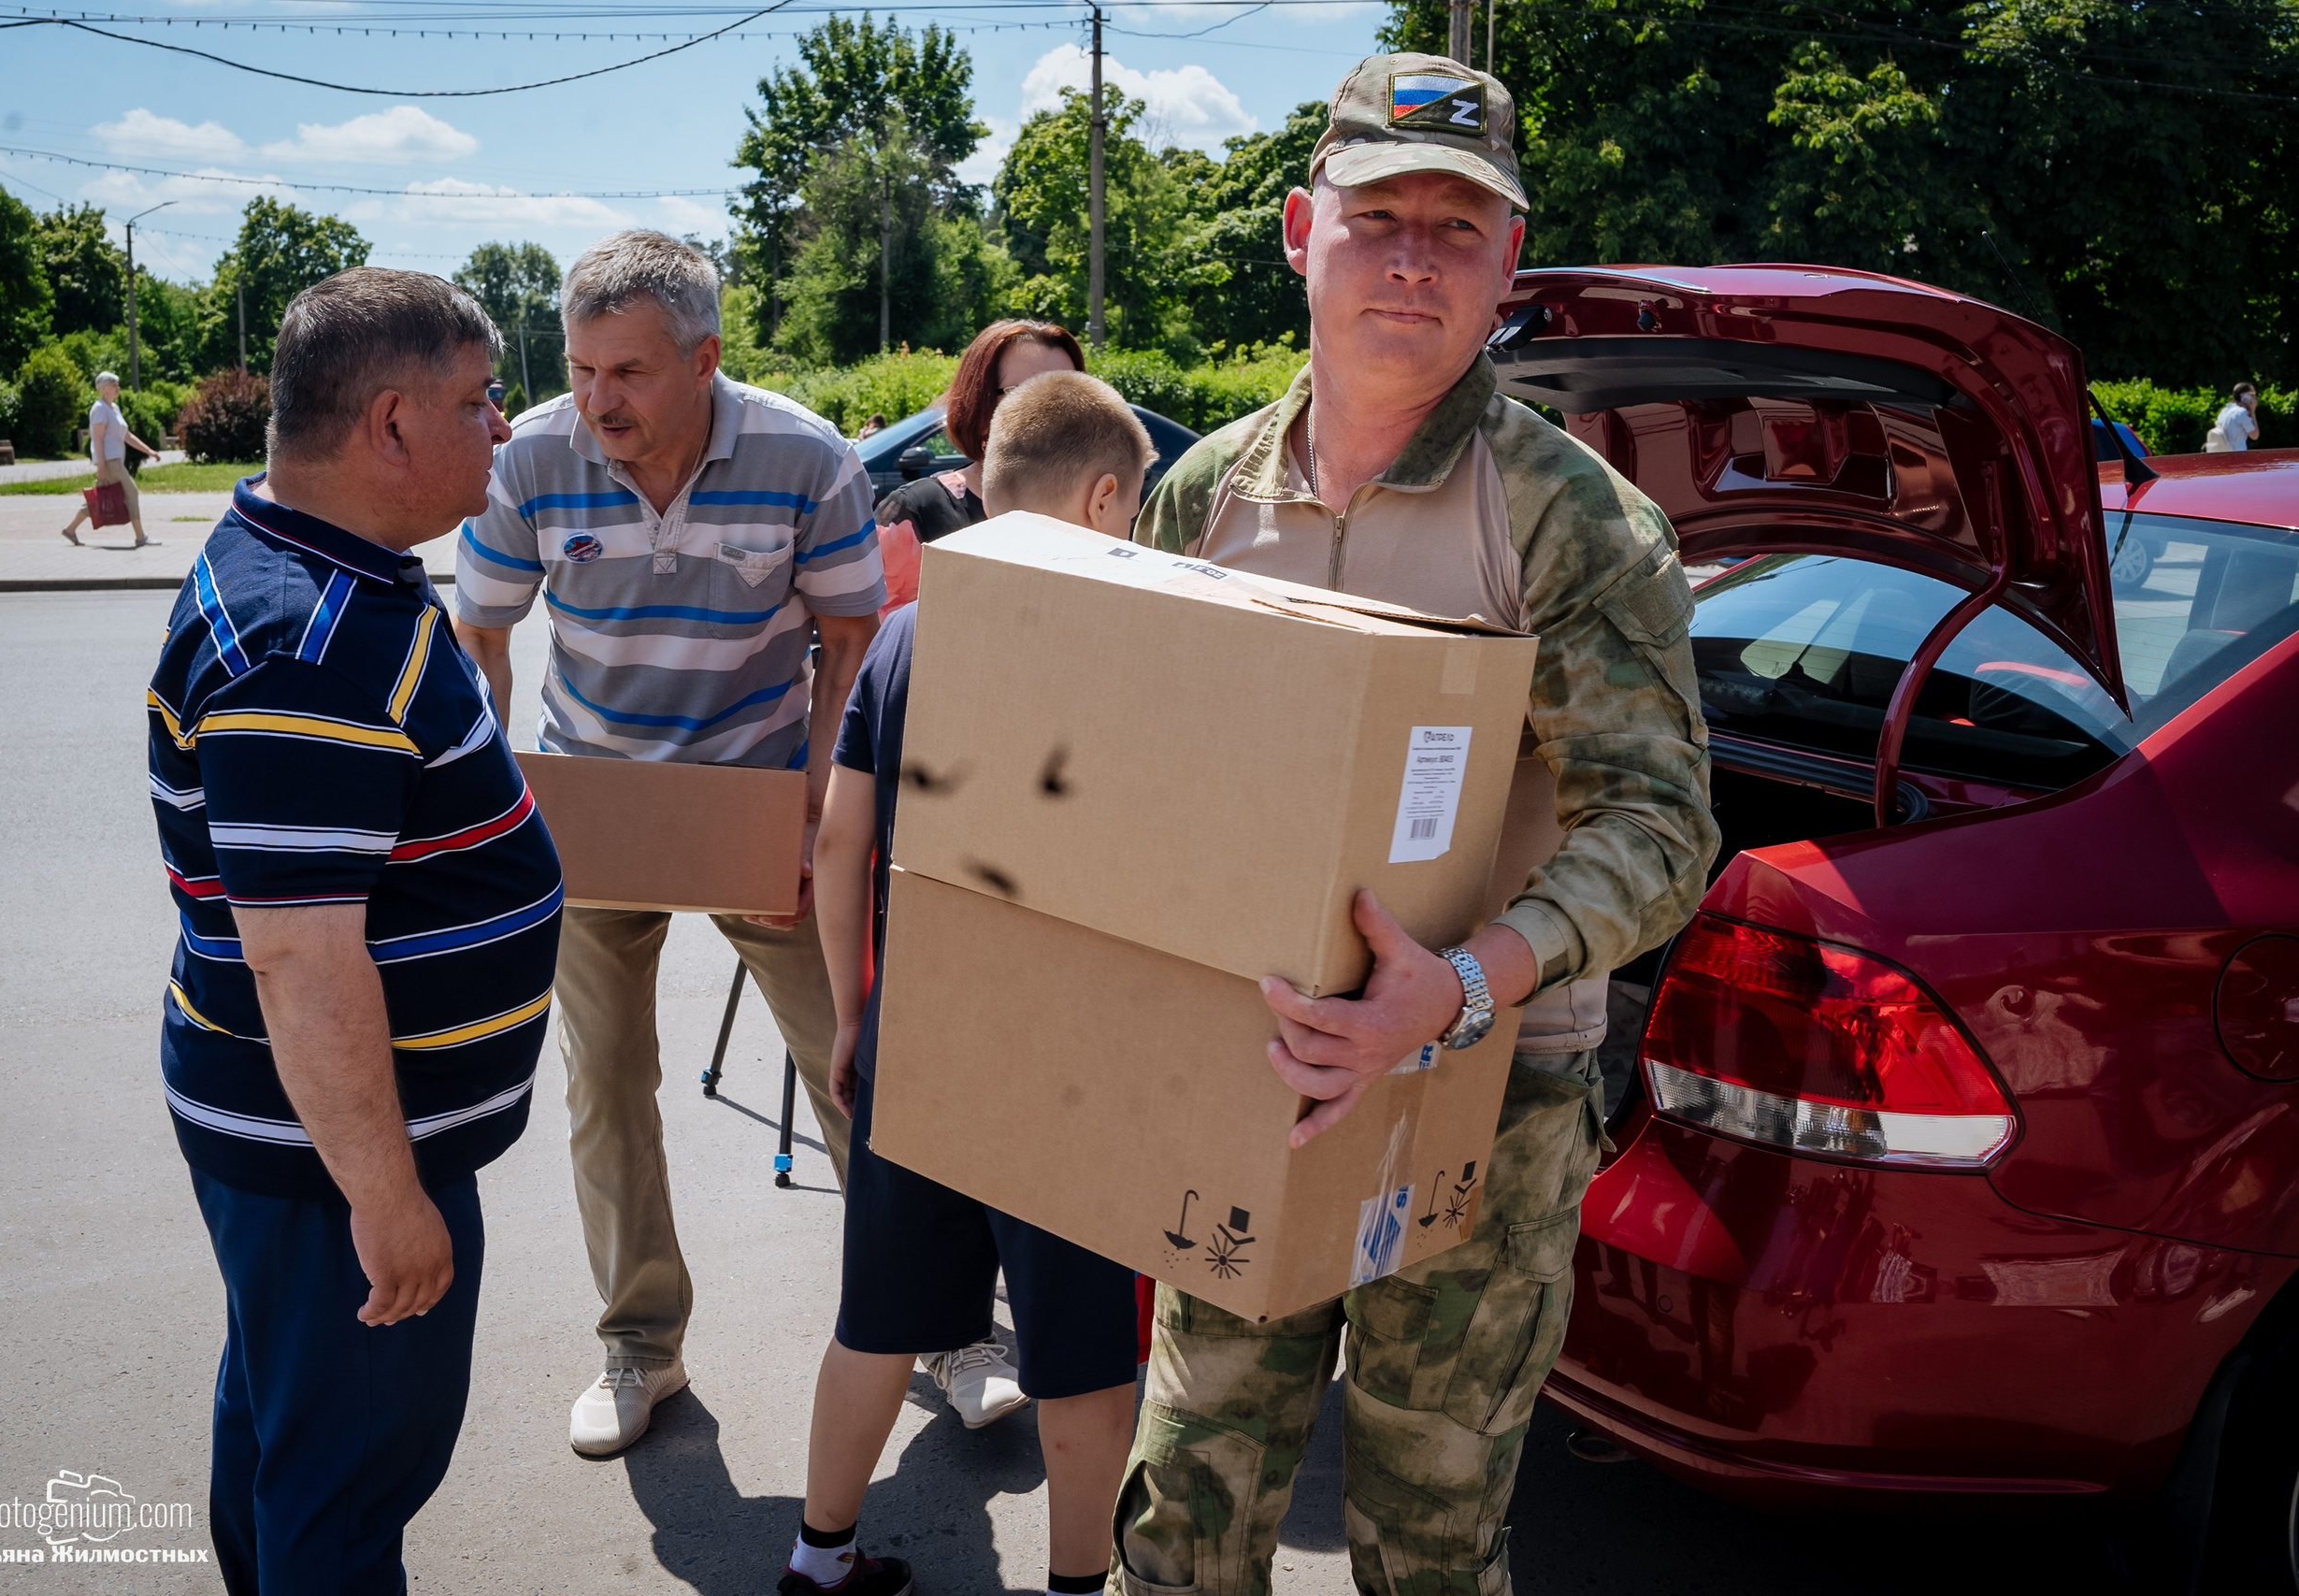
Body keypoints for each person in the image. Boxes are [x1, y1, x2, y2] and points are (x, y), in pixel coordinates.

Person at [1113, 53, 1718, 1596]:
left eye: (1461, 227)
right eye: (1383, 214)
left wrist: (1452, 986)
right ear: (1304, 227)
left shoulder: (1573, 519)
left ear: (1509, 264)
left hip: (1485, 1100)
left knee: (1428, 1543)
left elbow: (1659, 823)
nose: (1413, 258)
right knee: (1183, 1509)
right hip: (1247, 1067)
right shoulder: (1203, 495)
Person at [146, 267, 557, 1589]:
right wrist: (386, 1198)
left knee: (288, 1425)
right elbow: (302, 957)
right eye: (478, 397)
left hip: (316, 1147)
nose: (503, 425)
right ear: (390, 422)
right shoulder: (307, 642)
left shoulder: (327, 571)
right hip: (338, 1167)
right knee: (342, 1481)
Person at [452, 230, 889, 1459]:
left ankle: (936, 1319)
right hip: (592, 811)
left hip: (761, 804)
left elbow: (853, 637)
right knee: (606, 1080)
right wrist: (493, 798)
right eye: (583, 369)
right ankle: (642, 1343)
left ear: (705, 359)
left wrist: (817, 803)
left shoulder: (808, 457)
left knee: (857, 1062)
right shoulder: (534, 454)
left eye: (630, 372)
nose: (599, 402)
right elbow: (481, 636)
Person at [786, 369, 1157, 1596]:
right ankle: (1072, 1582)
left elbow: (840, 841)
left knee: (881, 1314)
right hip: (1073, 1057)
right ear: (1105, 495)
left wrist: (852, 1012)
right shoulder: (1144, 637)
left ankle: (819, 1552)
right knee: (1085, 1351)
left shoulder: (903, 630)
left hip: (921, 1030)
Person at [872, 321, 1082, 616]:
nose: (1052, 410)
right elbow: (874, 644)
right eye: (1024, 392)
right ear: (979, 401)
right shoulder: (917, 513)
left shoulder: (1094, 509)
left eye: (1068, 391)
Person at [61, 370, 161, 548]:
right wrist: (100, 465)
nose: (118, 388)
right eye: (114, 385)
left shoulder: (114, 408)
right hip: (109, 461)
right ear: (103, 388)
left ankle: (70, 529)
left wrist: (149, 451)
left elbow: (127, 436)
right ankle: (140, 537)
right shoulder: (99, 409)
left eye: (117, 384)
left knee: (100, 497)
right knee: (131, 492)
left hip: (114, 460)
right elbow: (97, 439)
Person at [2206, 381, 2261, 452]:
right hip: (2237, 454)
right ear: (2243, 395)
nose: (2255, 398)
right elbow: (2255, 435)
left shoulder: (2225, 410)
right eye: (2252, 394)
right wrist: (2253, 412)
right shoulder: (2242, 413)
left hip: (2224, 452)